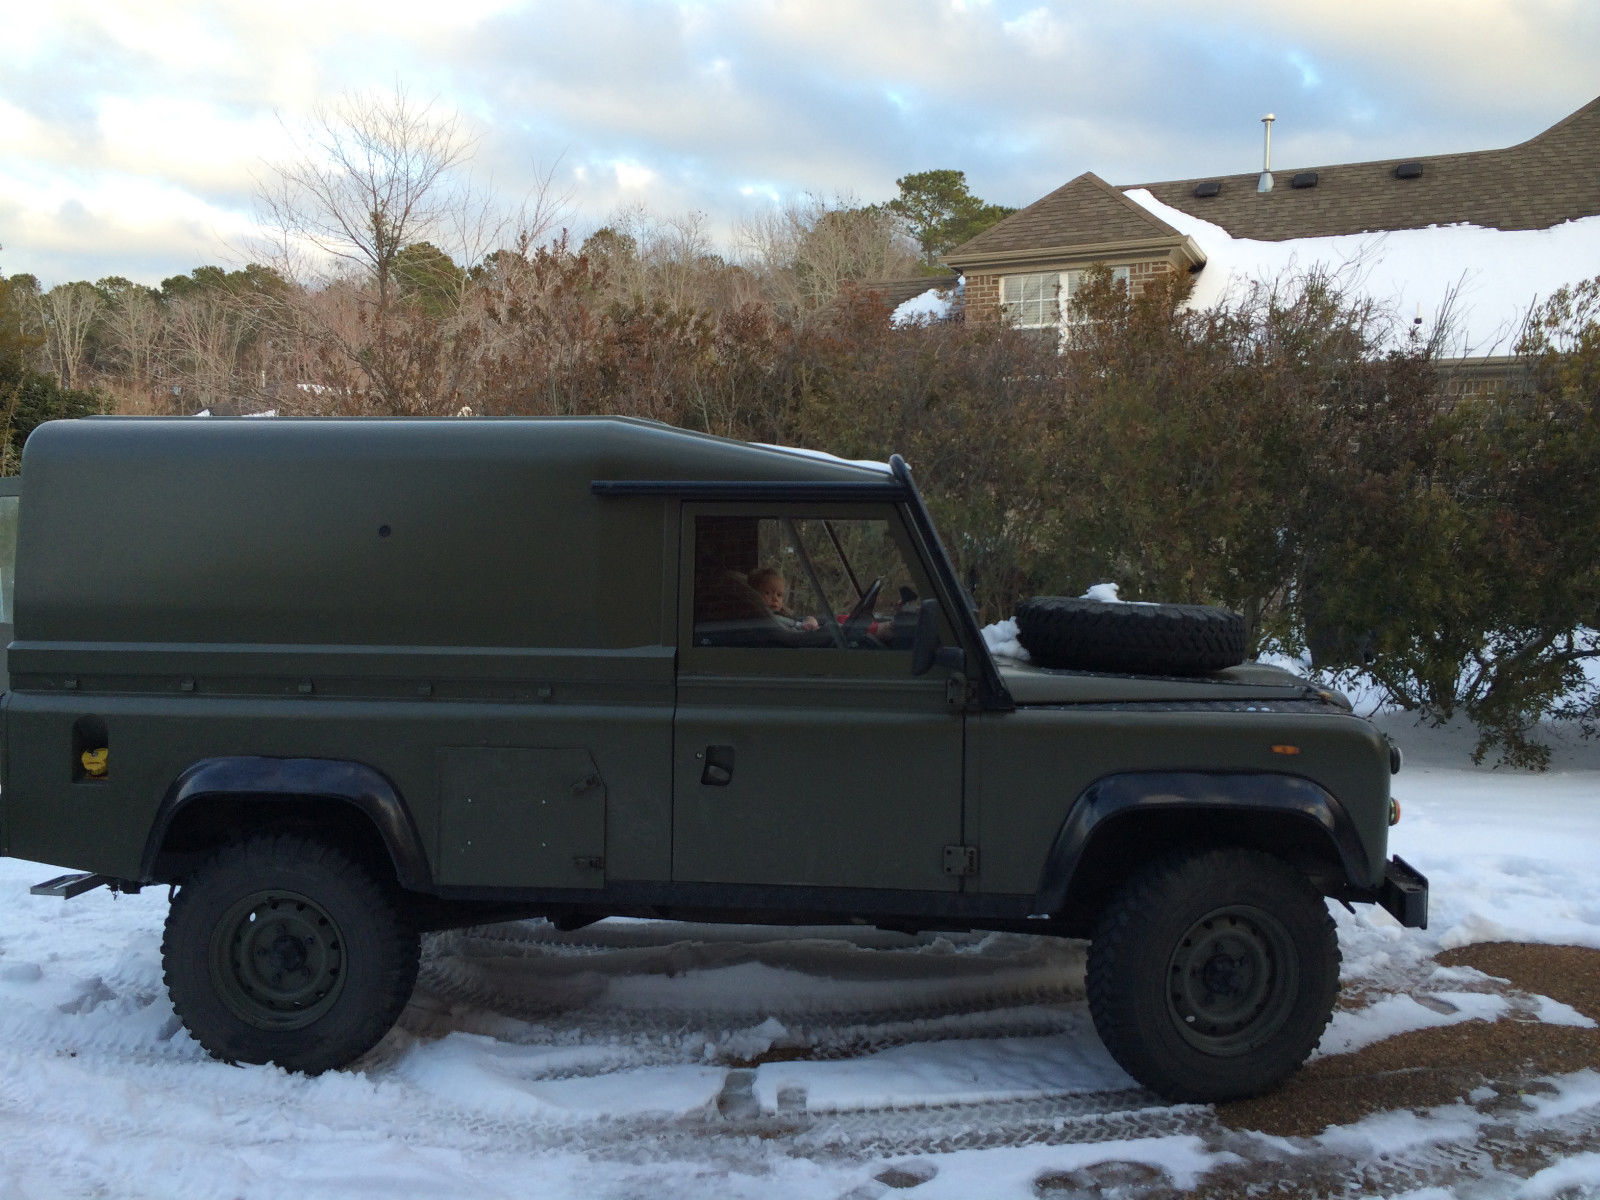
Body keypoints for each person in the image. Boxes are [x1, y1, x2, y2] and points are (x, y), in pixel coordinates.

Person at [747, 566, 819, 632]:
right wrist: (808, 625)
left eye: (779, 595)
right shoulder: (767, 621)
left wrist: (809, 620)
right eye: (767, 593)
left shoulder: (782, 615)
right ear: (754, 595)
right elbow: (796, 634)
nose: (775, 599)